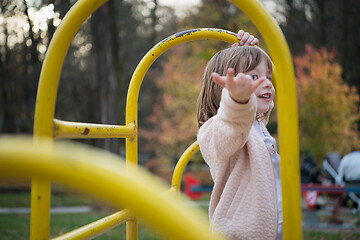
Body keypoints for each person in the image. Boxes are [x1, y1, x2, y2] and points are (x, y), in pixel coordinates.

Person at [197, 30, 282, 239]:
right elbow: (232, 123)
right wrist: (238, 99)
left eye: (268, 77)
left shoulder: (259, 127)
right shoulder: (218, 130)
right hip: (241, 234)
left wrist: (247, 51)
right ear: (223, 90)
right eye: (254, 77)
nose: (268, 83)